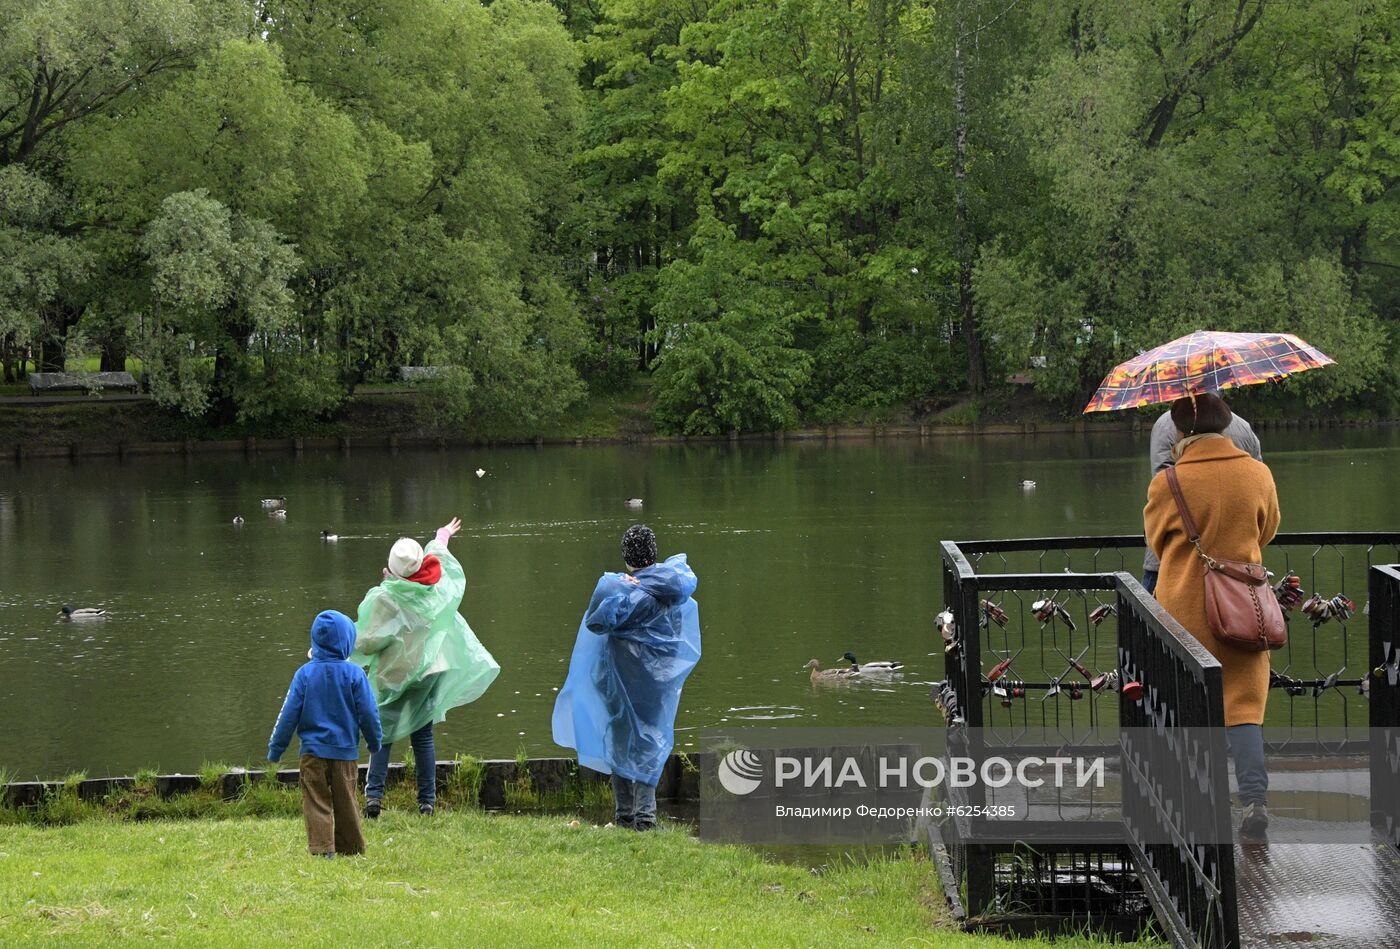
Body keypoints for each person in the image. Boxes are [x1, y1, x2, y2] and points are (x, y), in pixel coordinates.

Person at [1144, 393, 1280, 838]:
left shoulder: (1169, 482)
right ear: (1226, 428)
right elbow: (1269, 529)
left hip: (1184, 609)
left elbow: (1158, 541)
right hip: (1244, 608)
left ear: (1180, 433)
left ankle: (1197, 805)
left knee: (1188, 706)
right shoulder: (1257, 473)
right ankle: (1255, 800)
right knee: (1243, 709)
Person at [552, 525, 701, 831]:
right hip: (658, 686)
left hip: (618, 682)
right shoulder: (672, 588)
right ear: (654, 553)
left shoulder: (624, 592)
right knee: (652, 742)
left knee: (620, 745)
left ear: (626, 557)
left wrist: (612, 586)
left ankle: (625, 817)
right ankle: (646, 818)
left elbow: (597, 623)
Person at [352, 516, 500, 817]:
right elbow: (440, 557)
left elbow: (367, 642)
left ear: (391, 570)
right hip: (431, 672)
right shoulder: (435, 588)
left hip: (395, 677)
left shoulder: (387, 598)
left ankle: (374, 800)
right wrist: (442, 534)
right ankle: (427, 802)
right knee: (423, 735)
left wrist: (329, 649)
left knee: (382, 735)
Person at [268, 610, 383, 858]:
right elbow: (369, 713)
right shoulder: (354, 674)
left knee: (316, 800)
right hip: (345, 754)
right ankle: (351, 847)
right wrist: (375, 742)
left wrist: (276, 748)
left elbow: (288, 714)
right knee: (346, 801)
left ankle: (322, 849)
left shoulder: (304, 675)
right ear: (347, 642)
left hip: (312, 753)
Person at [1141, 399, 1261, 595]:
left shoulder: (1167, 423)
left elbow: (1157, 532)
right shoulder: (1244, 429)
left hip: (1177, 576)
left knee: (1158, 622)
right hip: (1240, 576)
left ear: (1183, 433)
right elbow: (1263, 526)